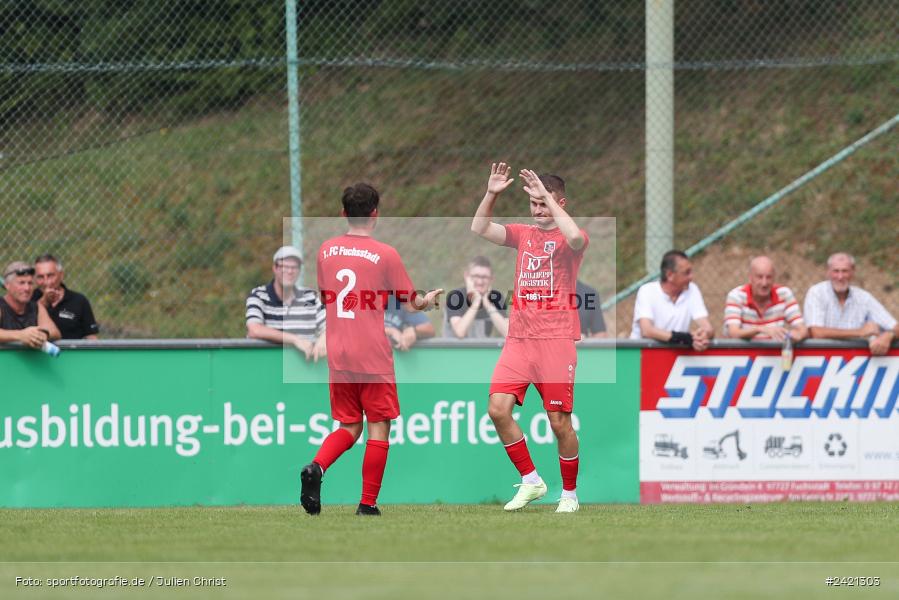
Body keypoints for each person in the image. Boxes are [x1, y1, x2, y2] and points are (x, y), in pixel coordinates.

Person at [299, 183, 442, 517]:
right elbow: (413, 302)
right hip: (372, 352)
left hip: (338, 351)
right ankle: (367, 503)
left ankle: (317, 467)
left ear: (344, 213)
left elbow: (325, 297)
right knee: (379, 425)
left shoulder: (326, 251)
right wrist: (429, 300)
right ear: (375, 213)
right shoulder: (385, 254)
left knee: (349, 426)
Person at [471, 162, 587, 513]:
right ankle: (532, 481)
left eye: (543, 203)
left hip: (555, 341)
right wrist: (491, 193)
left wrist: (548, 198)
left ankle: (569, 495)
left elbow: (576, 238)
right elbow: (479, 227)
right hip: (519, 341)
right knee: (497, 409)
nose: (537, 210)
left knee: (558, 422)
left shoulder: (570, 239)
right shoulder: (524, 234)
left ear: (560, 204)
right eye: (533, 204)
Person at [804, 252, 897, 356]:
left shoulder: (864, 297)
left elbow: (895, 326)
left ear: (853, 272)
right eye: (836, 271)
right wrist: (860, 332)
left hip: (855, 361)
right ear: (828, 272)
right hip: (821, 359)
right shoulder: (817, 292)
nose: (840, 276)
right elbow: (816, 332)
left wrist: (889, 335)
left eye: (845, 271)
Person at [246, 246, 326, 361]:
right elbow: (254, 329)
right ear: (275, 268)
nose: (290, 271)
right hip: (266, 365)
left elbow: (331, 327)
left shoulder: (310, 297)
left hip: (307, 369)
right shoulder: (258, 295)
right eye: (285, 266)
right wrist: (295, 340)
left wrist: (325, 338)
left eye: (294, 267)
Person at [629, 250, 713, 351]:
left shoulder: (692, 289)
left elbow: (707, 327)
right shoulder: (647, 291)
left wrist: (703, 335)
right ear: (670, 275)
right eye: (686, 273)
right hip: (640, 357)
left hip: (672, 357)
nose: (691, 277)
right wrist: (685, 338)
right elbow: (647, 331)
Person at [724, 255, 808, 341]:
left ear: (774, 277)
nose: (764, 283)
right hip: (743, 353)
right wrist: (760, 329)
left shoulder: (784, 294)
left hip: (775, 353)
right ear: (750, 278)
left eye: (769, 277)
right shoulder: (737, 296)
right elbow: (733, 333)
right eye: (759, 277)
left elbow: (802, 329)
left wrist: (794, 335)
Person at [32, 254, 99, 339]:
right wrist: (43, 302)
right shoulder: (28, 299)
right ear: (35, 279)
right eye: (40, 277)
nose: (46, 282)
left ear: (61, 275)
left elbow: (91, 337)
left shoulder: (79, 301)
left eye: (50, 275)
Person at [443, 256, 508, 339]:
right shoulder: (455, 297)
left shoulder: (496, 298)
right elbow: (460, 332)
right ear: (467, 276)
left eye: (485, 277)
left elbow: (508, 334)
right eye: (476, 276)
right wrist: (476, 303)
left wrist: (489, 306)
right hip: (454, 350)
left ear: (491, 279)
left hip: (481, 351)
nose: (480, 282)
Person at [0, 261, 60, 348]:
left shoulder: (36, 307)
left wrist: (42, 334)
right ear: (7, 285)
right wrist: (21, 335)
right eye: (21, 283)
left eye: (30, 283)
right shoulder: (1, 306)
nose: (27, 288)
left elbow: (55, 332)